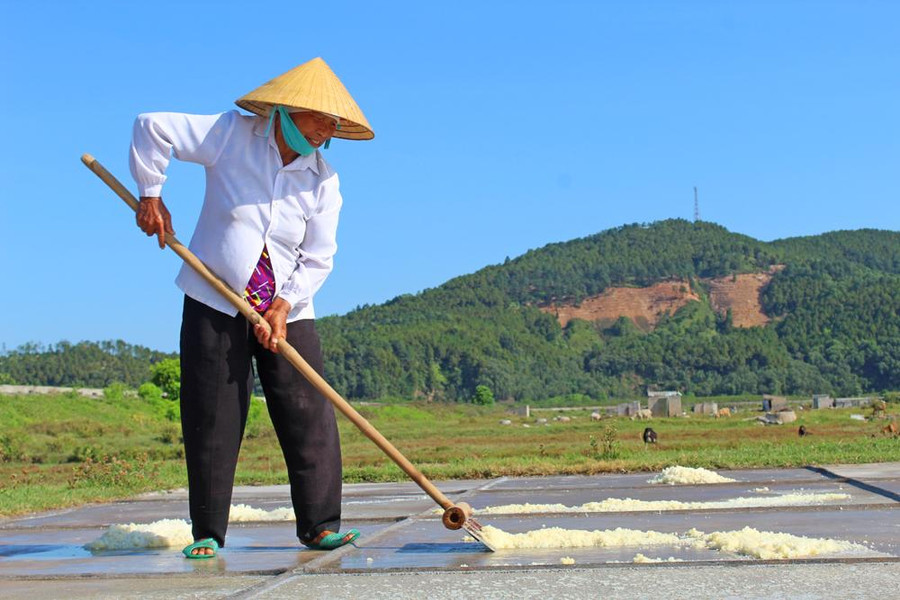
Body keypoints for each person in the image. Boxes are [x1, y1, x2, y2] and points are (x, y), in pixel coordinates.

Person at [129, 57, 374, 559]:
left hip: (287, 308)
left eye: (333, 124)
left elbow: (319, 256)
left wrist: (284, 303)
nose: (327, 130)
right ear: (286, 111)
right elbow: (151, 126)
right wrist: (151, 193)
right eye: (320, 118)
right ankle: (208, 533)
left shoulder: (324, 182)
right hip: (214, 297)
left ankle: (320, 525)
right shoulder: (230, 135)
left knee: (307, 412)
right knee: (212, 415)